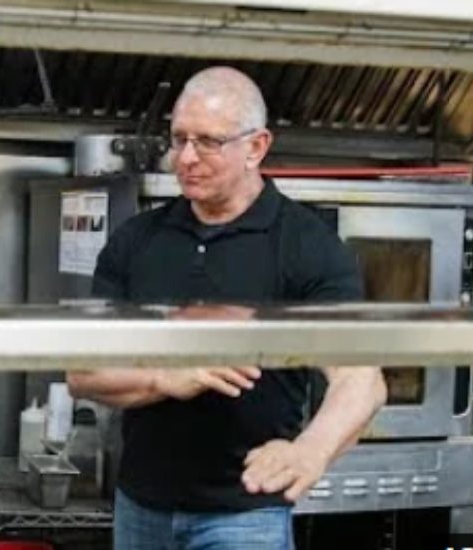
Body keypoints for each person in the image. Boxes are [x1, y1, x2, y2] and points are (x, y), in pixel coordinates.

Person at [67, 66, 387, 550]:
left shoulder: (305, 246)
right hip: (140, 507)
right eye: (179, 139)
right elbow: (82, 372)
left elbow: (361, 378)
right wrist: (164, 378)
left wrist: (311, 452)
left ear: (256, 147)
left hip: (245, 517)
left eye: (209, 142)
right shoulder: (136, 240)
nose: (187, 158)